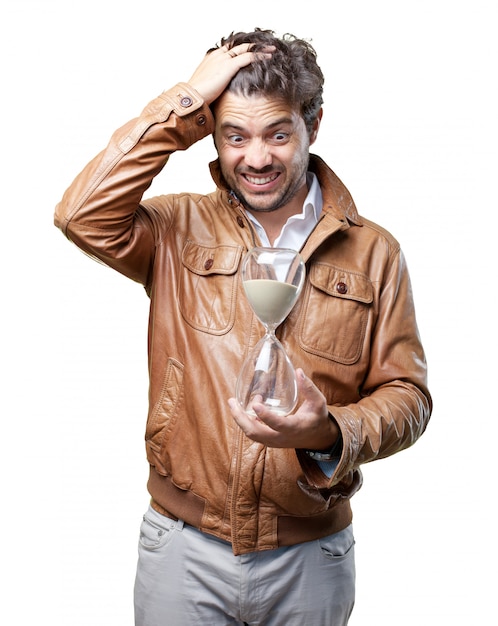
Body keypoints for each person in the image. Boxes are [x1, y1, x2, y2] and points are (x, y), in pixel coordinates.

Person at [54, 28, 432, 626]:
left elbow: (409, 397)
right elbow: (81, 214)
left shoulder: (375, 252)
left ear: (315, 125)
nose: (256, 158)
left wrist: (330, 432)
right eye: (235, 135)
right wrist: (185, 102)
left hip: (310, 554)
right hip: (183, 548)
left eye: (278, 134)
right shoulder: (177, 227)